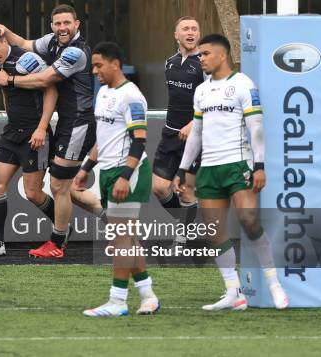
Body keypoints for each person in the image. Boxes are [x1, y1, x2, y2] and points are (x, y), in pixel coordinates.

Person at [174, 34, 289, 311]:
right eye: (199, 54)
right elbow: (197, 132)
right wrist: (183, 168)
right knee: (215, 231)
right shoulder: (201, 91)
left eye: (205, 54)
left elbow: (256, 128)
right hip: (209, 169)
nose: (200, 58)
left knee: (249, 220)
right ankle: (233, 292)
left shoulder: (243, 85)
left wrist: (259, 166)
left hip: (238, 165)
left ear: (222, 56)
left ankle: (274, 284)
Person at [0, 4, 96, 258]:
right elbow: (24, 41)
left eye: (67, 23)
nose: (62, 28)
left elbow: (47, 81)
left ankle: (60, 241)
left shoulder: (76, 53)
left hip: (78, 122)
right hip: (60, 123)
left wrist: (11, 81)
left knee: (59, 186)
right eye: (57, 24)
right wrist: (5, 30)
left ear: (77, 25)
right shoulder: (52, 43)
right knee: (62, 188)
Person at [74, 42, 160, 316]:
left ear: (115, 64)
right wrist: (86, 167)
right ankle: (148, 295)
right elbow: (104, 138)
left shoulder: (131, 96)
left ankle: (118, 300)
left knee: (119, 240)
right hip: (111, 172)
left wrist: (125, 176)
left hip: (129, 173)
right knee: (128, 239)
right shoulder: (104, 94)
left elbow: (139, 141)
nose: (95, 71)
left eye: (99, 66)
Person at [0, 29, 58, 257]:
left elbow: (51, 89)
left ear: (4, 41)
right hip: (12, 132)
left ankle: (61, 230)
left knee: (33, 193)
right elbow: (6, 92)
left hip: (34, 133)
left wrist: (41, 127)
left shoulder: (26, 59)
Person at [153, 16, 204, 246]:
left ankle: (183, 236)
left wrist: (192, 124)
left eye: (194, 29)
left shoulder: (204, 64)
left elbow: (212, 102)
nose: (190, 32)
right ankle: (188, 222)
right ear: (177, 34)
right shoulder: (169, 62)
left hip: (194, 136)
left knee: (185, 191)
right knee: (159, 188)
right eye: (185, 29)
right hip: (170, 134)